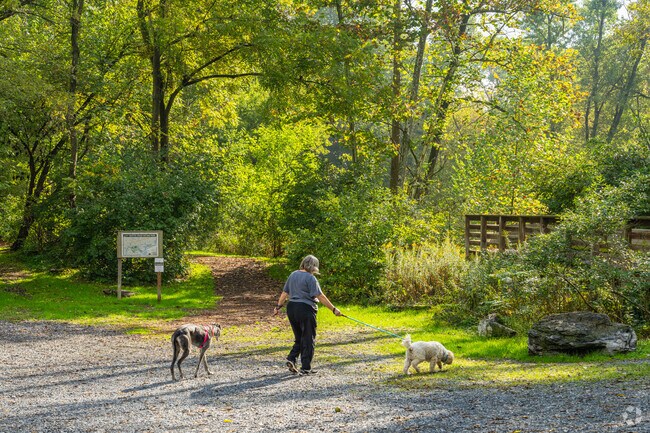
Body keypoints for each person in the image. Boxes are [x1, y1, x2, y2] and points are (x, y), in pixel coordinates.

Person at [273, 255, 341, 374]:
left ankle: (292, 358)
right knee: (308, 338)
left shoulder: (293, 274)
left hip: (292, 308)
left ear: (303, 263)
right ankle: (306, 367)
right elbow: (320, 296)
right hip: (305, 309)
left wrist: (278, 307)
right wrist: (334, 309)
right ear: (314, 266)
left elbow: (284, 293)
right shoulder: (310, 278)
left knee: (299, 337)